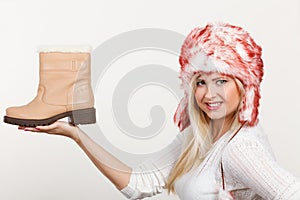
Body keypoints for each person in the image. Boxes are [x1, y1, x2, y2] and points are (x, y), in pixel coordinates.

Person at [20, 22, 300, 199]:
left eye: (222, 81)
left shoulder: (239, 147)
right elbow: (138, 184)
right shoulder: (198, 138)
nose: (209, 94)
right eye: (200, 81)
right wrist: (75, 134)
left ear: (244, 86)